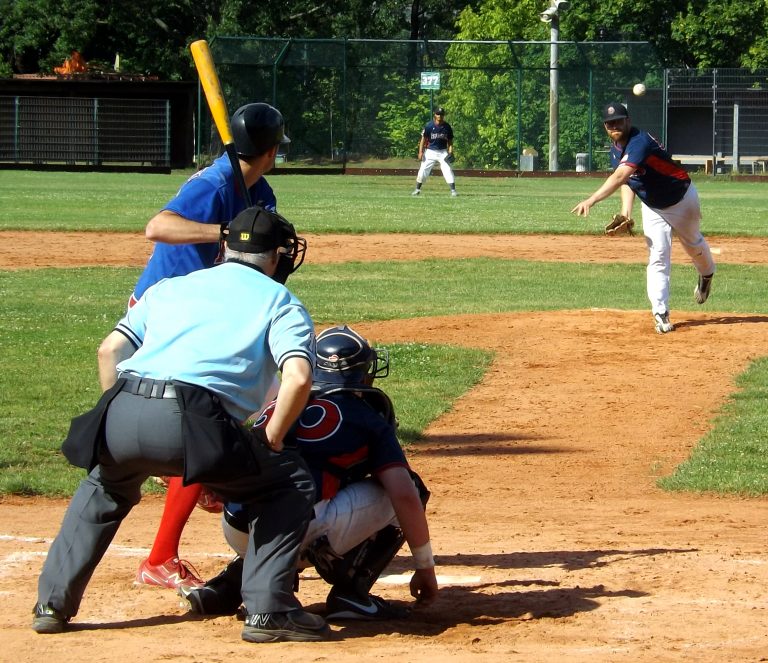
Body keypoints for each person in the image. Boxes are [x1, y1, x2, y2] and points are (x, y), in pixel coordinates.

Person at [33, 206, 331, 644]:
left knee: (105, 485)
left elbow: (109, 352)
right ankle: (269, 610)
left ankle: (51, 605)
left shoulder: (171, 287)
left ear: (225, 247)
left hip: (123, 404)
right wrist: (271, 440)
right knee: (286, 484)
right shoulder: (280, 301)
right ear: (277, 258)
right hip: (197, 417)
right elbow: (300, 377)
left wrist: (124, 422)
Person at [131, 102, 290, 591]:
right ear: (268, 150)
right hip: (171, 312)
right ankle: (162, 552)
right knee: (209, 420)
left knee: (235, 407)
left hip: (209, 313)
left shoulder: (257, 188)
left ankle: (199, 480)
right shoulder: (216, 183)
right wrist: (223, 231)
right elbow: (156, 228)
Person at [179, 325, 439, 621]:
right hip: (297, 528)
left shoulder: (280, 403)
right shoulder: (366, 416)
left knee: (285, 493)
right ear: (361, 374)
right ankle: (351, 593)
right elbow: (403, 494)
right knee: (410, 487)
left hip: (235, 524)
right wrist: (424, 566)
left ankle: (229, 586)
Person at [571, 101, 716, 334]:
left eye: (618, 120)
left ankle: (707, 273)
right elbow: (630, 181)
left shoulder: (640, 141)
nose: (614, 126)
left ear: (628, 121)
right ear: (605, 127)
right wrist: (625, 212)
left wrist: (591, 200)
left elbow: (620, 176)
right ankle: (661, 312)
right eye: (609, 123)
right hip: (652, 205)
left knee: (693, 245)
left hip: (681, 198)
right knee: (658, 254)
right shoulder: (616, 148)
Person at [411, 107, 457, 197]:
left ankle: (453, 190)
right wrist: (420, 152)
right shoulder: (429, 126)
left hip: (443, 152)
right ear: (435, 115)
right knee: (423, 169)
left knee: (447, 170)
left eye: (441, 114)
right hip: (430, 151)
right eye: (438, 114)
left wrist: (451, 152)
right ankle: (417, 189)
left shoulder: (447, 127)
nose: (440, 116)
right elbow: (423, 140)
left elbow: (450, 142)